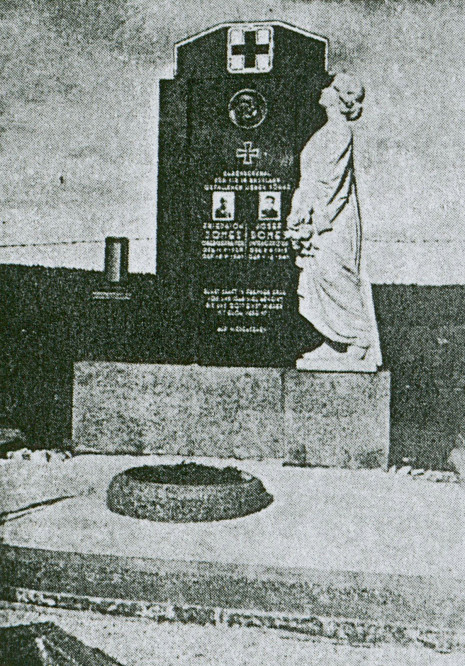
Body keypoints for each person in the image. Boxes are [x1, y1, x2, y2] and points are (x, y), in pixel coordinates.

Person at [285, 73, 381, 371]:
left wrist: (313, 222)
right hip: (317, 215)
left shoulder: (340, 132)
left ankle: (359, 339)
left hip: (333, 220)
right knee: (318, 275)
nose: (324, 90)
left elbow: (334, 184)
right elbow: (309, 180)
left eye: (331, 87)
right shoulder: (325, 132)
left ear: (340, 98)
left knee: (334, 274)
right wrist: (298, 211)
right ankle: (335, 340)